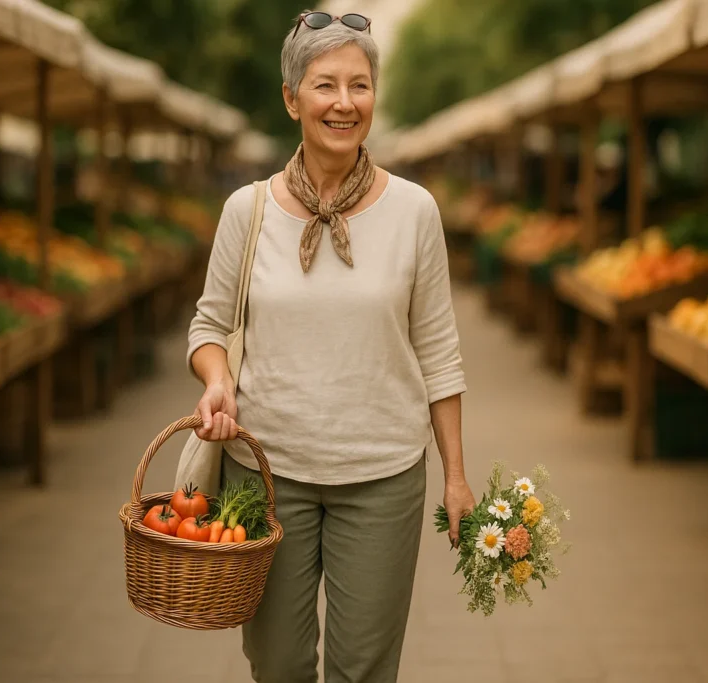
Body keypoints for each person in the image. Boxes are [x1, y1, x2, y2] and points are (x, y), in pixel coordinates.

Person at [185, 10, 475, 683]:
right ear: (291, 98)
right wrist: (217, 378)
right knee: (278, 663)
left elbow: (439, 349)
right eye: (324, 85)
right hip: (265, 470)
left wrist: (456, 475)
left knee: (364, 669)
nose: (344, 102)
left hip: (383, 474)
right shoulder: (246, 210)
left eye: (360, 85)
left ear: (374, 95)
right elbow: (207, 327)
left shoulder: (415, 211)